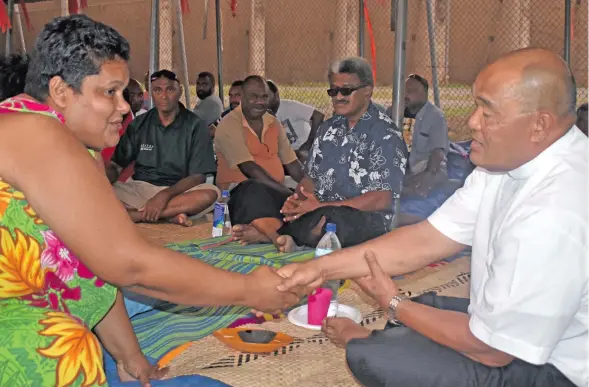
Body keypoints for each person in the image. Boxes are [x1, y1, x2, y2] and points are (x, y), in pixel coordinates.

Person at [0, 14, 300, 387]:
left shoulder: (69, 140)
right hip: (16, 336)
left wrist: (131, 359)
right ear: (61, 91)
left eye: (124, 92)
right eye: (109, 92)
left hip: (41, 312)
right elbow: (130, 266)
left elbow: (99, 272)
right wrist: (248, 290)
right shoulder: (38, 133)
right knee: (66, 350)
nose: (126, 106)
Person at [276, 48, 586, 387]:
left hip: (554, 370)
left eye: (488, 111)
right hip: (509, 337)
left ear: (538, 125)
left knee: (375, 356)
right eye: (476, 106)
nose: (471, 122)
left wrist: (392, 302)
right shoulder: (509, 161)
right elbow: (427, 238)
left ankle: (365, 341)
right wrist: (316, 269)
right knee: (419, 311)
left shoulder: (555, 211)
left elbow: (492, 352)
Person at [231, 58, 407, 251]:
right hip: (315, 209)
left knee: (333, 221)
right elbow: (310, 179)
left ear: (367, 90)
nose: (338, 97)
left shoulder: (385, 134)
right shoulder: (328, 128)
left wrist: (319, 207)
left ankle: (276, 233)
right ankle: (280, 236)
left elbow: (382, 199)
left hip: (358, 215)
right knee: (248, 190)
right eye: (333, 91)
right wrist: (297, 201)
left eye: (346, 90)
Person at [106, 69, 219, 226]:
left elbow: (198, 176)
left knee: (210, 194)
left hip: (178, 191)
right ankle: (167, 215)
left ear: (179, 91)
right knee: (101, 193)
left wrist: (164, 195)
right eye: (158, 90)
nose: (164, 96)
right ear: (151, 93)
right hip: (140, 189)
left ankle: (138, 215)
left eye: (170, 89)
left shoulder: (195, 125)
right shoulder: (139, 124)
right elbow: (117, 165)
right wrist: (103, 180)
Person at [214, 75, 305, 246]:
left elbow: (293, 164)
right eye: (254, 96)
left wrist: (310, 188)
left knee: (306, 201)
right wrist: (287, 194)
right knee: (253, 191)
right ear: (242, 96)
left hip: (273, 190)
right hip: (238, 192)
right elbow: (249, 169)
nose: (260, 102)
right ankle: (280, 238)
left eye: (264, 97)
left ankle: (262, 235)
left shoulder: (273, 123)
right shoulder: (229, 124)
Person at [266, 80, 325, 162]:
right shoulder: (261, 114)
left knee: (302, 156)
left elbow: (318, 116)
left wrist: (309, 143)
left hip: (303, 150)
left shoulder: (289, 106)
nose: (263, 100)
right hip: (287, 155)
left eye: (266, 96)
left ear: (276, 95)